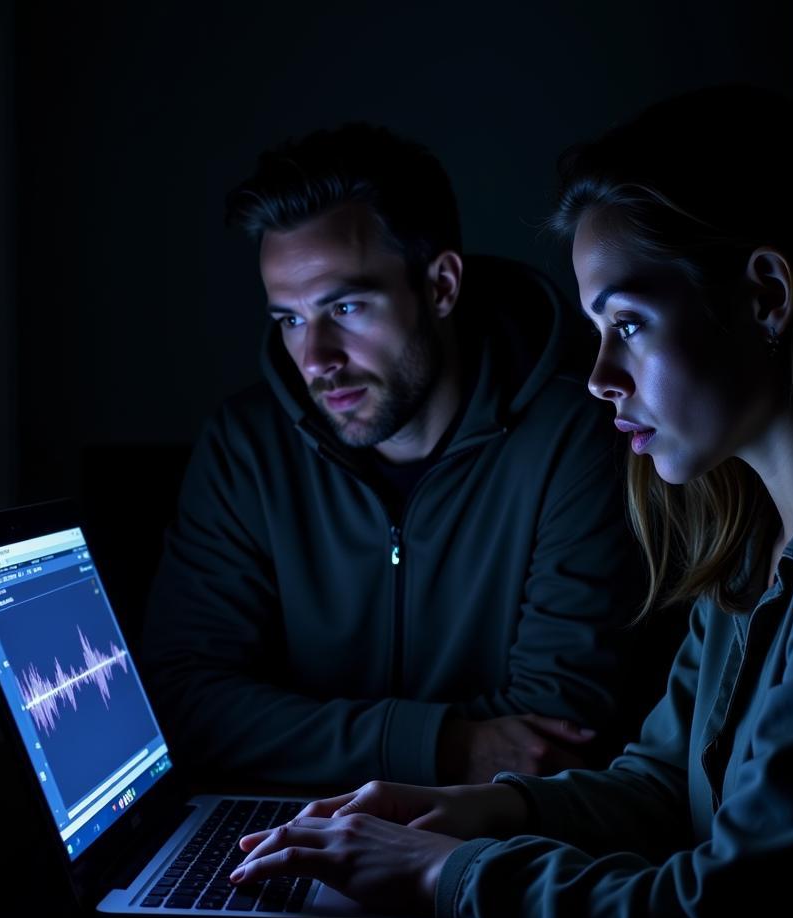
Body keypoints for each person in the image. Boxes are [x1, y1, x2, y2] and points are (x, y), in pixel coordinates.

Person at [230, 86, 793, 918]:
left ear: (764, 295)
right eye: (595, 331)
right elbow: (666, 784)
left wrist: (445, 876)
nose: (598, 377)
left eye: (627, 324)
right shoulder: (750, 534)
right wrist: (485, 811)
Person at [140, 124, 649, 789]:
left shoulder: (576, 433)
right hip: (279, 841)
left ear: (440, 286)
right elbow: (182, 703)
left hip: (490, 850)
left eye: (345, 307)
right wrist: (445, 747)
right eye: (289, 319)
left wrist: (296, 737)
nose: (315, 359)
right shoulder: (247, 447)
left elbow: (554, 731)